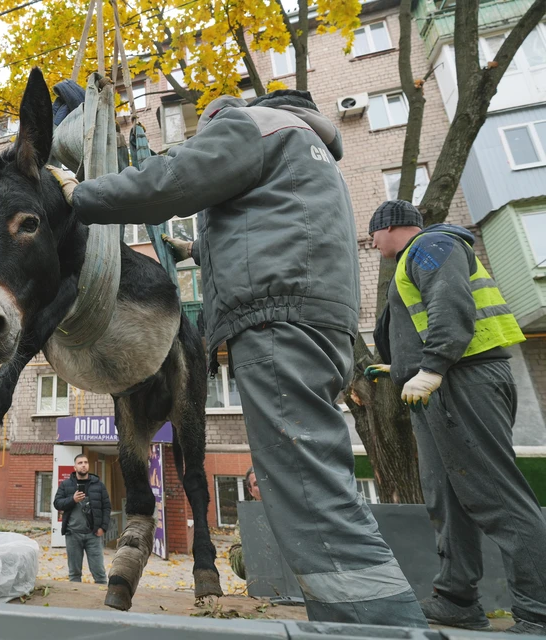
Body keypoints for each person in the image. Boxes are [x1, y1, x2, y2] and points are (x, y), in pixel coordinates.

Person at [50, 90, 427, 627]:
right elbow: (268, 221)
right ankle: (357, 613)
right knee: (310, 471)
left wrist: (79, 194)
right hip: (319, 316)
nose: (205, 139)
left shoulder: (249, 125)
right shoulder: (307, 147)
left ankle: (376, 623)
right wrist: (195, 250)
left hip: (279, 317)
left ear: (217, 119)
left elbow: (169, 183)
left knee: (302, 480)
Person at [365, 200, 546, 635]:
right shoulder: (419, 255)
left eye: (372, 234)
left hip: (463, 380)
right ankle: (456, 599)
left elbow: (450, 305)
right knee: (448, 497)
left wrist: (432, 367)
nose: (370, 244)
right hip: (449, 381)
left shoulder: (432, 245)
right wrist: (405, 366)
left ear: (391, 227)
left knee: (496, 496)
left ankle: (538, 611)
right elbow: (430, 317)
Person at [53, 454, 111, 584]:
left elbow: (107, 508)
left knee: (99, 573)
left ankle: (101, 601)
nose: (83, 465)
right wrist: (72, 500)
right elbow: (57, 503)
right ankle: (75, 601)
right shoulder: (66, 484)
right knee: (74, 573)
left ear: (88, 466)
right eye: (80, 463)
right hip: (73, 534)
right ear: (75, 467)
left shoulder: (98, 485)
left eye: (85, 462)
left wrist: (103, 527)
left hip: (93, 535)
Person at [228, 467, 261, 581]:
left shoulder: (289, 510)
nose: (262, 486)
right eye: (257, 483)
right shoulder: (247, 517)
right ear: (250, 491)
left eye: (265, 481)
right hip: (263, 584)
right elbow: (235, 558)